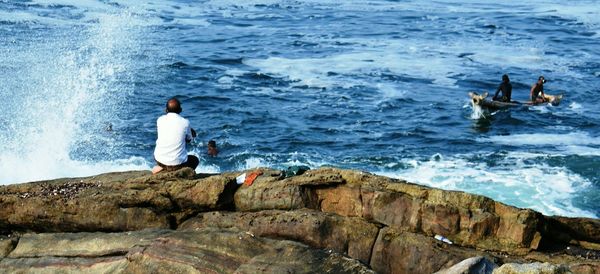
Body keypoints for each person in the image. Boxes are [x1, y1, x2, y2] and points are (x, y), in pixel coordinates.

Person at [152, 98, 199, 174]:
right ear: (180, 110)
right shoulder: (185, 122)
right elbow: (189, 139)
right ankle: (181, 173)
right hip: (178, 165)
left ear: (166, 110)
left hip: (160, 160)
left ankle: (161, 168)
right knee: (195, 160)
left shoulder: (160, 120)